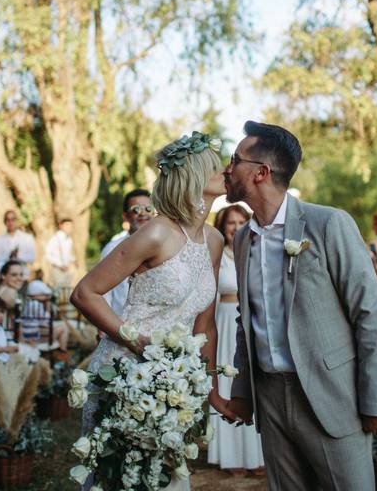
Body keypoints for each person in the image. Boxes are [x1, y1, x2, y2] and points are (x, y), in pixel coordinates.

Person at [224, 121, 377, 491]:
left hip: (333, 395)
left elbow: (371, 313)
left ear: (261, 172)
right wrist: (242, 392)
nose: (227, 168)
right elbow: (244, 319)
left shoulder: (328, 224)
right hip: (269, 396)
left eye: (235, 159)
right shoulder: (241, 241)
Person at [71, 131, 227, 491]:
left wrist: (208, 387)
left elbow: (207, 325)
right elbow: (85, 292)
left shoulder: (215, 241)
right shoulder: (155, 233)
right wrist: (135, 340)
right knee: (122, 478)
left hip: (177, 381)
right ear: (194, 176)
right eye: (216, 167)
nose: (225, 172)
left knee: (167, 477)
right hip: (126, 372)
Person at [208, 204, 264, 476]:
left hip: (251, 324)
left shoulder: (255, 254)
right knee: (229, 382)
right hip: (225, 323)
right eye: (231, 222)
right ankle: (231, 457)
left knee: (254, 383)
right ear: (222, 226)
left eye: (242, 221)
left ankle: (258, 456)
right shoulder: (219, 256)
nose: (237, 227)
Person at [99, 189, 155, 318]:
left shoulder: (166, 246)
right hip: (119, 324)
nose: (142, 214)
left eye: (148, 209)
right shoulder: (112, 248)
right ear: (125, 216)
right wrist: (103, 326)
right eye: (136, 209)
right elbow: (103, 292)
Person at [45, 219, 77, 289]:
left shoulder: (69, 239)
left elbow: (67, 254)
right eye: (67, 225)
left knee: (67, 289)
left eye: (71, 226)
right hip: (57, 268)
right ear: (61, 226)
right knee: (58, 289)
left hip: (66, 268)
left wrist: (73, 260)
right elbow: (48, 254)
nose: (69, 228)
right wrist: (59, 265)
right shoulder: (55, 238)